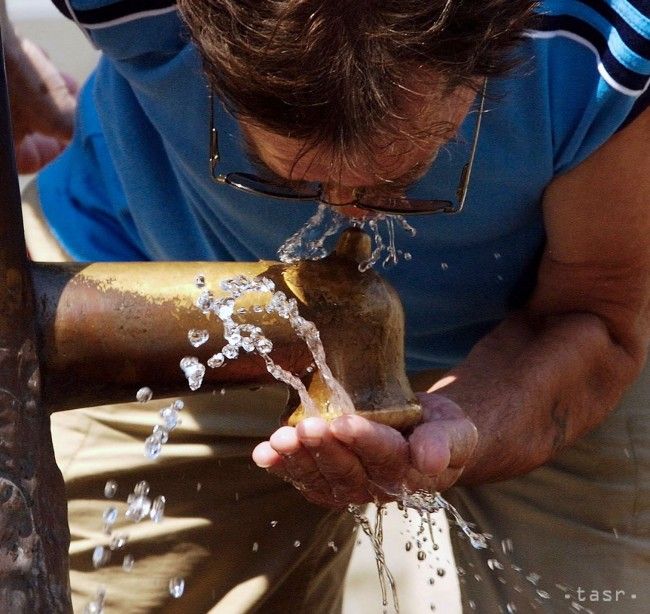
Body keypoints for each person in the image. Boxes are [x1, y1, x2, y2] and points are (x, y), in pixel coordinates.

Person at [2, 0, 649, 612]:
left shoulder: (607, 41)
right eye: (293, 180)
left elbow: (598, 314)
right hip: (145, 263)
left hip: (545, 333)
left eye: (400, 183)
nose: (347, 211)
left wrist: (464, 426)